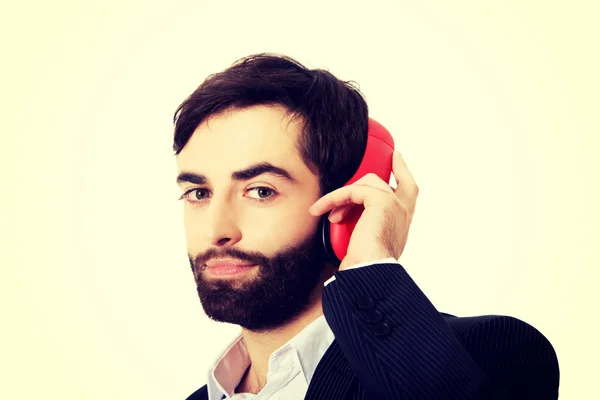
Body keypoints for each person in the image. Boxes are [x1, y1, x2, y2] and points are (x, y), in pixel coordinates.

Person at [172, 53, 560, 400]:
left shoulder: (488, 354)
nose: (215, 230)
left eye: (260, 191)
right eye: (198, 193)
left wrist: (371, 264)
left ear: (344, 201)